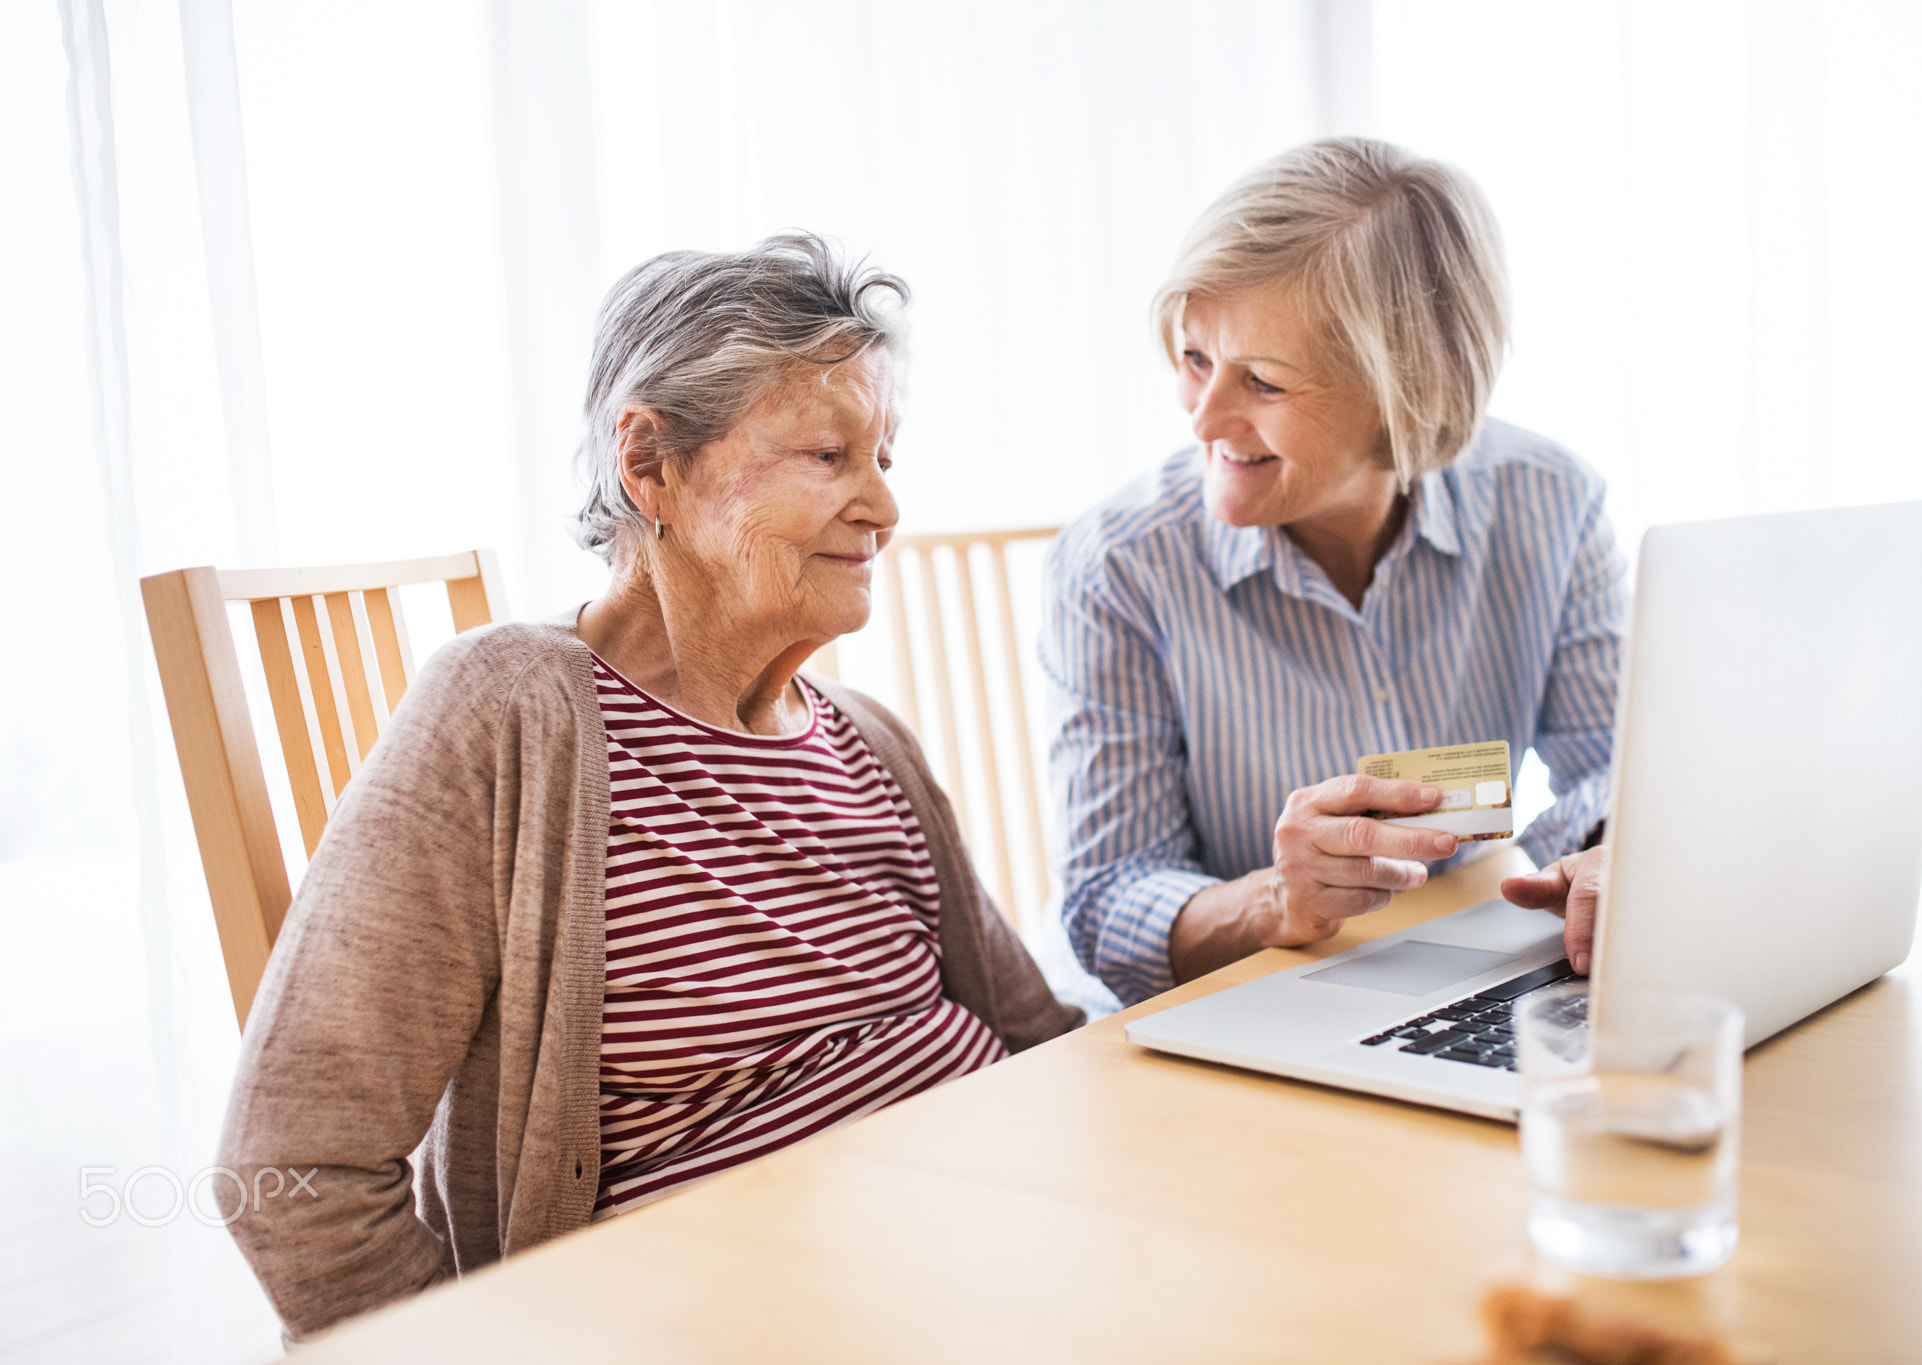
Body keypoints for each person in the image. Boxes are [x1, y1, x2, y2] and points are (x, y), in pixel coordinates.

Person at [216, 235, 1081, 1340]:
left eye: (885, 459)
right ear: (651, 466)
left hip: (1019, 1263)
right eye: (828, 454)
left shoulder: (869, 740)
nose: (882, 508)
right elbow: (294, 1164)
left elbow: (1041, 1039)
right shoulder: (511, 714)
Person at [1043, 138, 1623, 1009]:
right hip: (1235, 1013)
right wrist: (1278, 897)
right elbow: (1107, 898)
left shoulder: (1552, 503)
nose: (1204, 420)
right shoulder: (1118, 566)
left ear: (1411, 391)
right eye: (1196, 358)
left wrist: (1615, 851)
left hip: (1458, 971)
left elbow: (1613, 770)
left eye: (1262, 382)